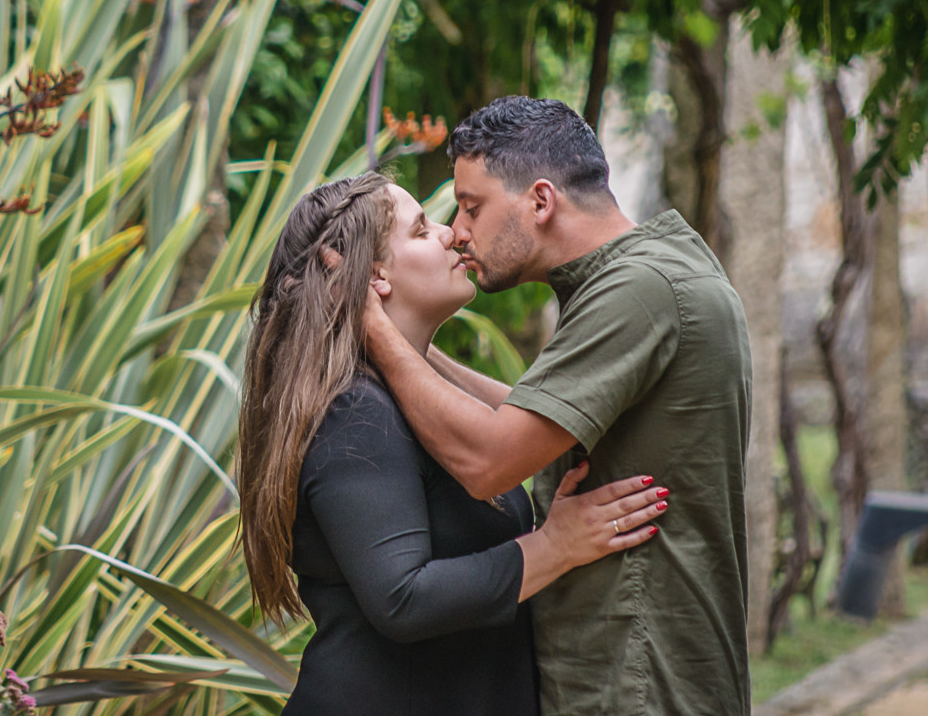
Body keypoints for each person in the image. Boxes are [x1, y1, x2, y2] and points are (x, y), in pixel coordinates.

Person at [363, 96, 752, 715]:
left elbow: (490, 459)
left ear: (540, 201)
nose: (457, 232)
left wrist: (374, 330)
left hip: (639, 685)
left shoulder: (640, 290)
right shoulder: (650, 271)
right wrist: (413, 347)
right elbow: (522, 418)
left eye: (471, 207)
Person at [237, 172, 670, 715]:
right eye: (421, 230)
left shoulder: (410, 401)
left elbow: (513, 430)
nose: (450, 235)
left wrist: (374, 327)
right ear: (376, 277)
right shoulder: (355, 413)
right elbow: (403, 597)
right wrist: (553, 546)